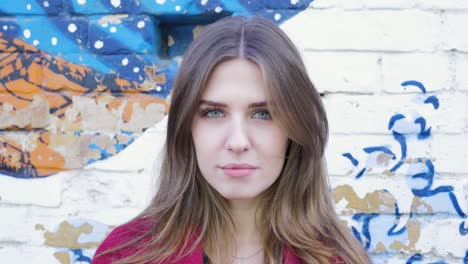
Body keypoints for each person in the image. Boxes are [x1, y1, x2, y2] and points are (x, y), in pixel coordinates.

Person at [91, 15, 371, 264]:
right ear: (187, 126)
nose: (238, 142)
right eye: (213, 112)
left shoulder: (338, 259)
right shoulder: (126, 255)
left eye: (263, 113)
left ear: (295, 128)